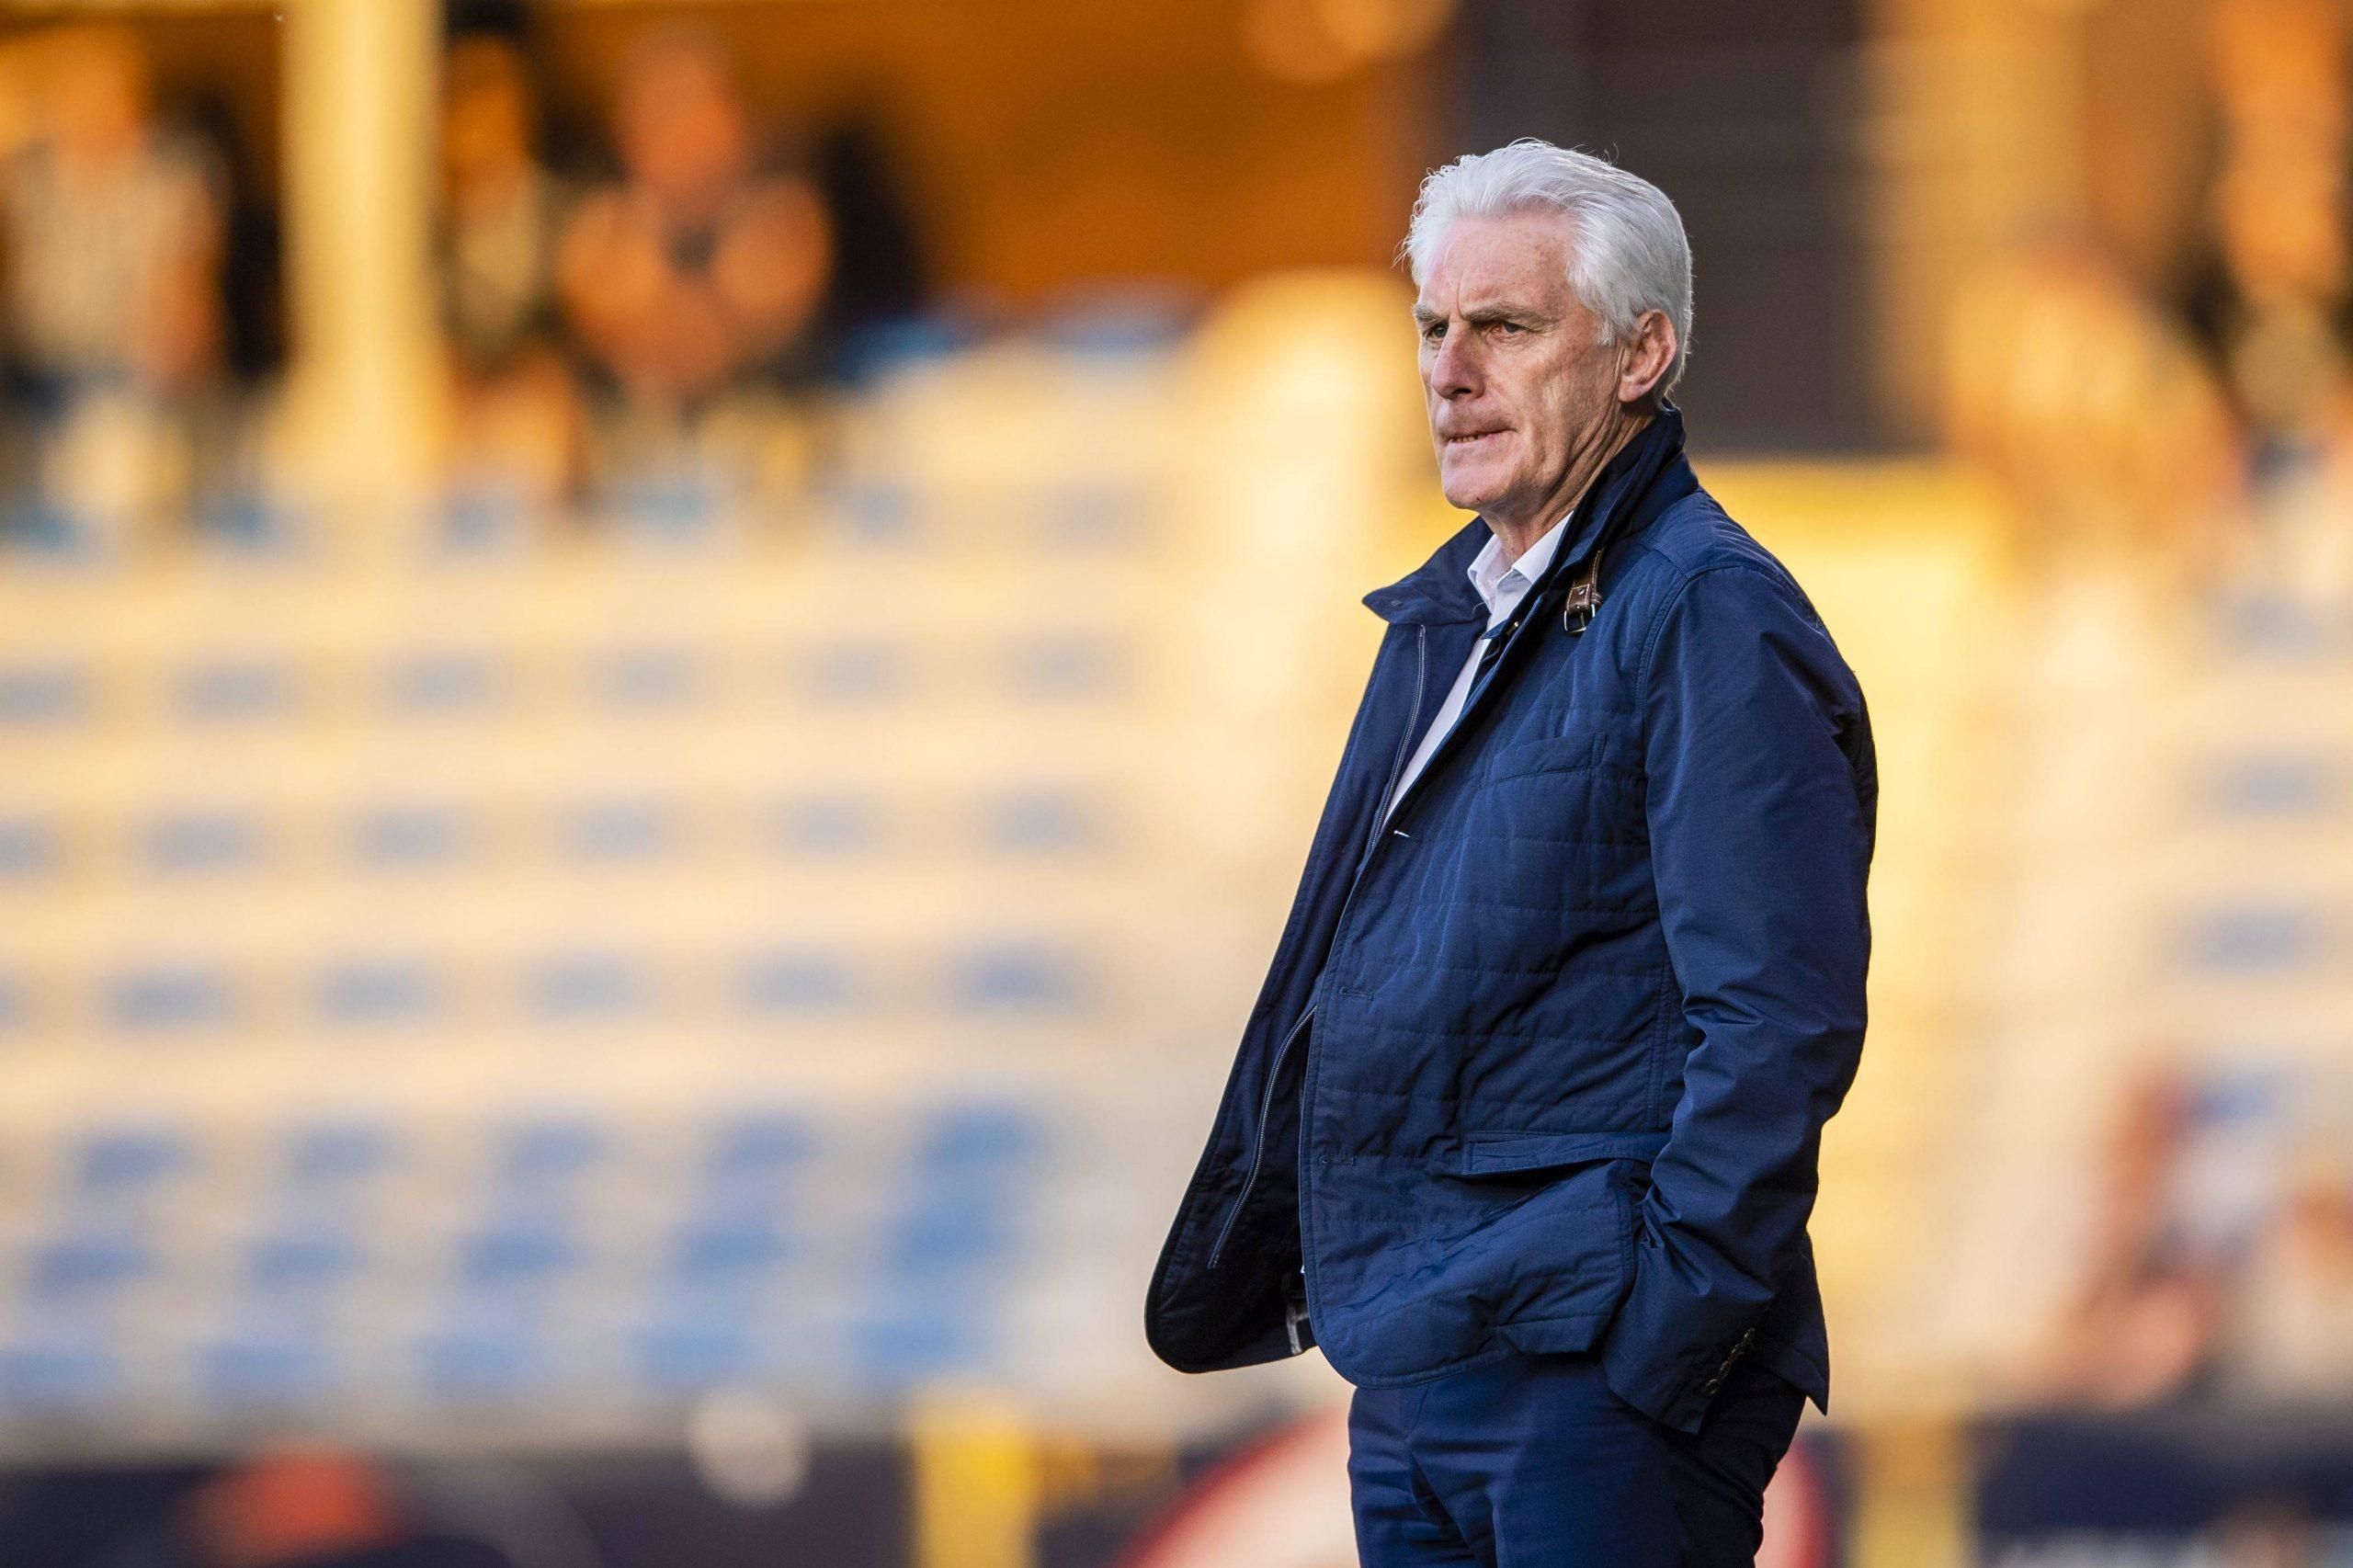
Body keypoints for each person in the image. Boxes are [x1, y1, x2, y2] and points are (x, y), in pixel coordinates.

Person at [1144, 140, 1878, 1565]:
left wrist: (1657, 1337)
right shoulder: (1450, 620)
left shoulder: (1709, 612)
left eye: (1508, 326)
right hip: (1427, 1360)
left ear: (1639, 354)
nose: (1449, 368)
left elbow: (1779, 1021)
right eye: (1432, 326)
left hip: (1590, 1379)